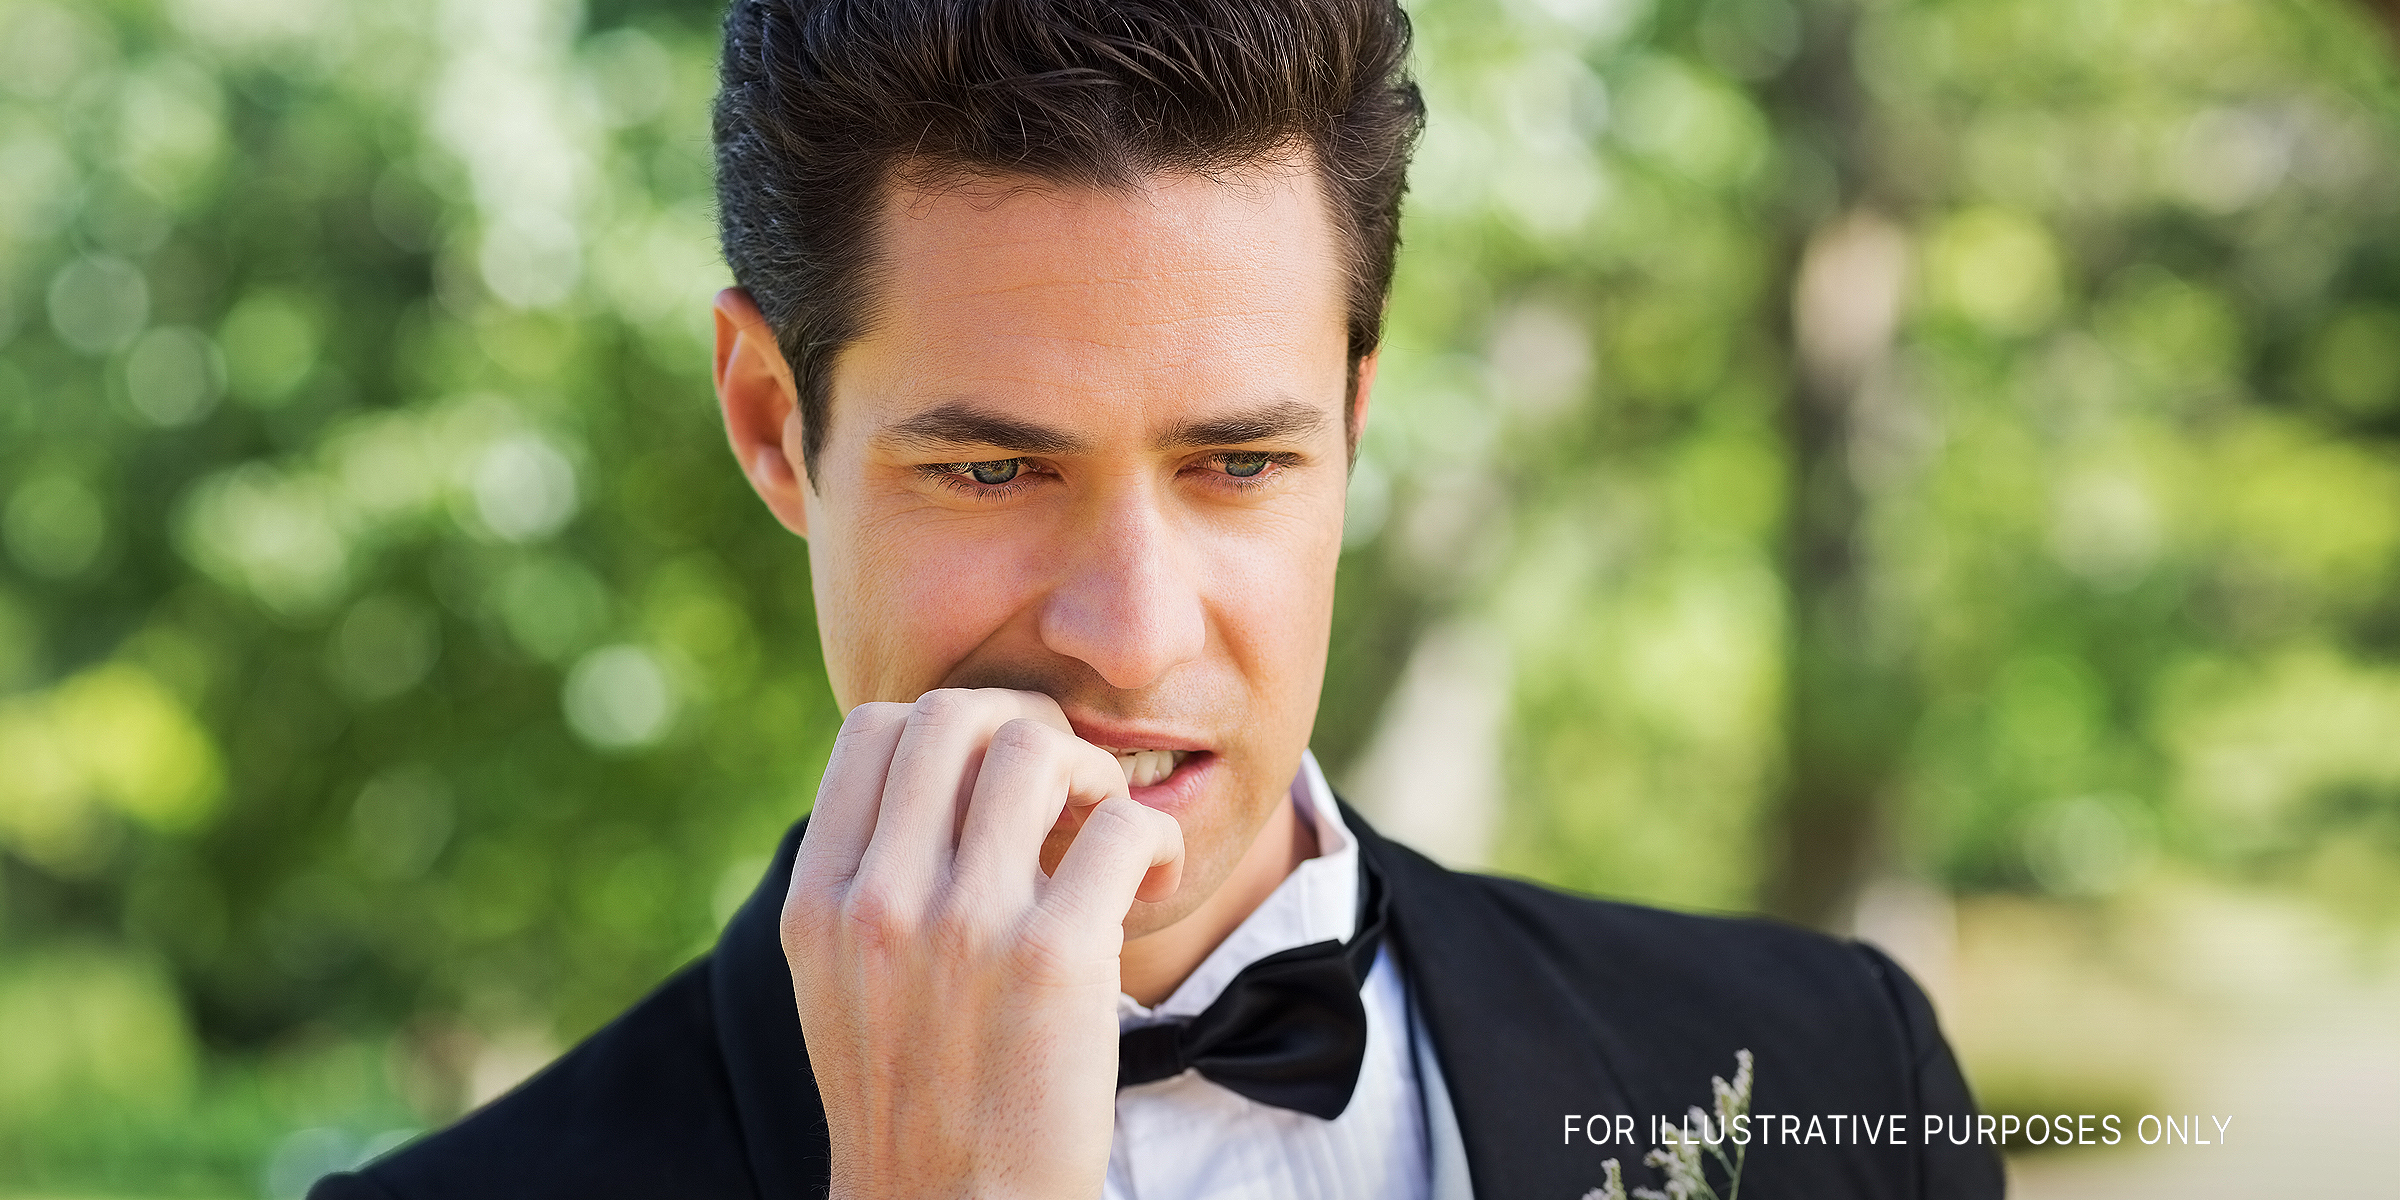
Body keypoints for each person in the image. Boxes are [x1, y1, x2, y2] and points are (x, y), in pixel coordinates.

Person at [311, 1, 2004, 1197]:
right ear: (775, 426)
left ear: (1352, 416)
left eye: (1238, 466)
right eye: (993, 472)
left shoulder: (1832, 1075)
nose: (1131, 634)